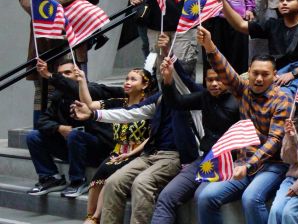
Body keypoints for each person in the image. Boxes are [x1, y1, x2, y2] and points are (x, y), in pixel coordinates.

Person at [194, 26, 291, 224]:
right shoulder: (244, 90)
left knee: (251, 198)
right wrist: (209, 46)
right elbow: (225, 72)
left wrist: (248, 165)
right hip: (243, 163)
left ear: (274, 76)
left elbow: (275, 140)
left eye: (265, 74)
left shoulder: (283, 99)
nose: (259, 78)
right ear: (249, 72)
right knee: (205, 197)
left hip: (272, 165)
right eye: (255, 73)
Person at [150, 58, 240, 224]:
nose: (214, 84)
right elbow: (176, 103)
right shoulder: (205, 96)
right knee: (166, 197)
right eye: (209, 80)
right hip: (205, 160)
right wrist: (168, 81)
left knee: (202, 196)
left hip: (229, 163)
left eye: (218, 79)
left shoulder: (240, 101)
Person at [69, 67, 156, 223]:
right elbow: (89, 105)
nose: (128, 82)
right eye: (127, 79)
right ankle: (90, 216)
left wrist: (131, 153)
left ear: (145, 85)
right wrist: (82, 81)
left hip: (138, 154)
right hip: (117, 152)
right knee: (98, 176)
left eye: (133, 79)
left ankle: (95, 217)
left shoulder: (149, 106)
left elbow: (152, 136)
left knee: (110, 177)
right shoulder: (118, 102)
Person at [26, 58, 112, 198]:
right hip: (72, 149)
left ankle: (78, 181)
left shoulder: (94, 90)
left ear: (78, 74)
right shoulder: (59, 97)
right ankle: (50, 177)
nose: (63, 77)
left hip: (97, 149)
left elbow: (74, 88)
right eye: (60, 74)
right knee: (33, 136)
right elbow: (42, 121)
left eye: (67, 73)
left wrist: (50, 76)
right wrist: (59, 128)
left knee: (74, 135)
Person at [216, 0, 298, 91]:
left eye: (289, 0)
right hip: (274, 73)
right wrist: (223, 3)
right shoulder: (272, 24)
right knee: (238, 85)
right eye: (281, 0)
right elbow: (240, 25)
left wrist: (293, 73)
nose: (284, 3)